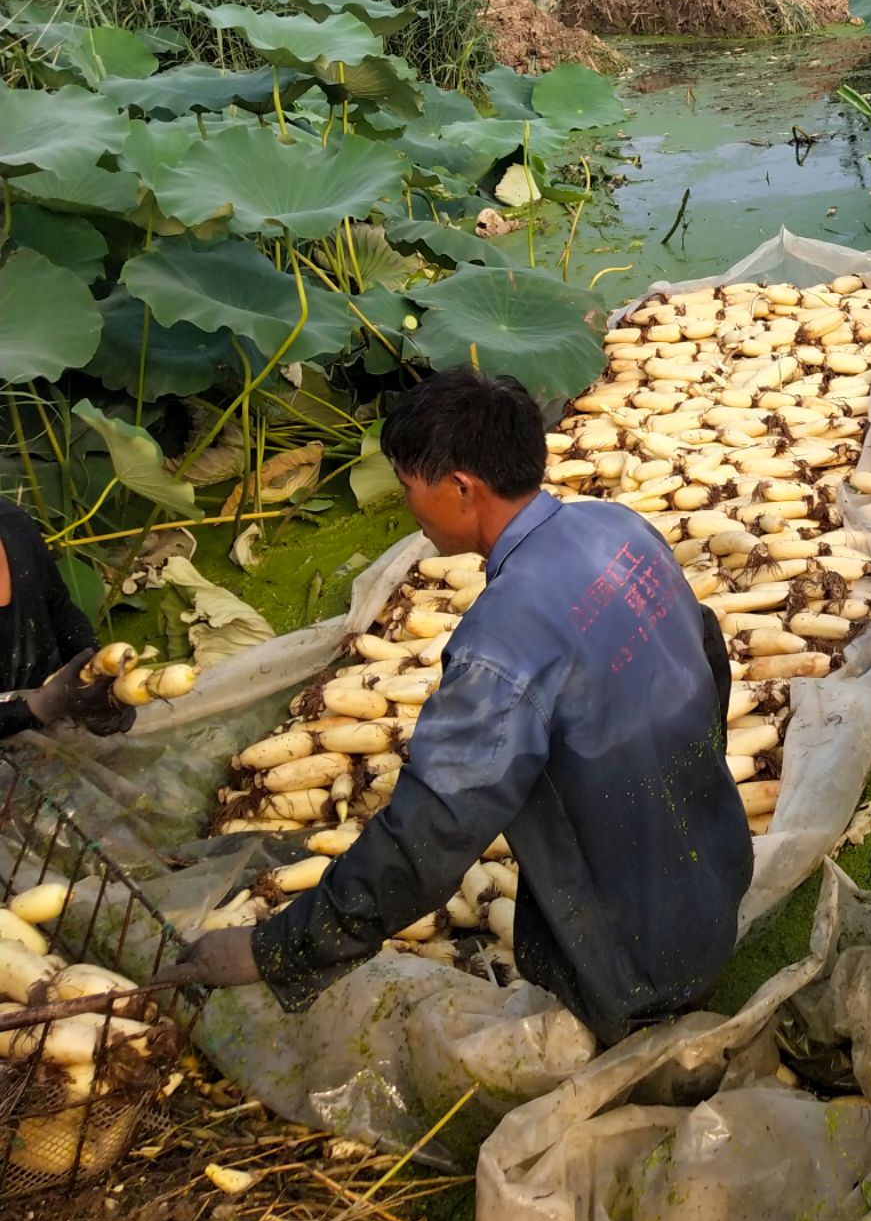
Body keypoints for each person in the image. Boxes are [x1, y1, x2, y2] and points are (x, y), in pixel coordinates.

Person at [170, 368, 755, 1045]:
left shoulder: (499, 645)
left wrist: (275, 950)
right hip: (713, 871)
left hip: (636, 960)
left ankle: (631, 1028)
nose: (407, 508)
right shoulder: (617, 527)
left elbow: (428, 834)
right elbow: (708, 657)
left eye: (409, 486)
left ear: (460, 488)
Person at [0, 499, 135, 743]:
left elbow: (58, 607)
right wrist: (38, 708)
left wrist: (96, 673)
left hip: (53, 722)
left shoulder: (12, 523)